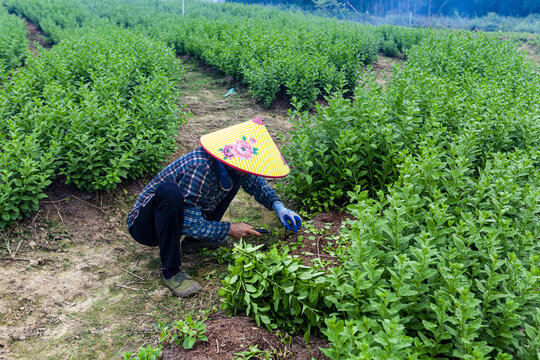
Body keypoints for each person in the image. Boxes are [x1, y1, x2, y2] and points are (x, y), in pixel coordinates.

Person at [126, 118, 302, 297]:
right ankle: (170, 270)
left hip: (177, 219)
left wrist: (279, 207)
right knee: (170, 192)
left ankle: (195, 243)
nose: (251, 169)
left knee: (232, 182)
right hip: (146, 226)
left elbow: (256, 184)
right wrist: (229, 229)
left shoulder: (232, 164)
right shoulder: (200, 166)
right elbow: (189, 223)